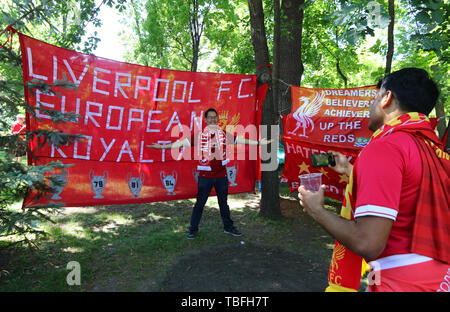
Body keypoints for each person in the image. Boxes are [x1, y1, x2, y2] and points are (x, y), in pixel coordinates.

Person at [298, 68, 449, 292]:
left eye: (375, 97)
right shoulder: (435, 152)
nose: (371, 106)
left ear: (387, 98)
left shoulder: (385, 147)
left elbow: (367, 242)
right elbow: (409, 189)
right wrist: (352, 170)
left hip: (401, 281)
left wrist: (316, 210)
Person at [148, 108, 271, 239]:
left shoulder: (223, 134)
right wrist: (161, 147)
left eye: (214, 117)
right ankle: (193, 229)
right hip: (205, 177)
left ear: (217, 119)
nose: (213, 119)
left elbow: (240, 140)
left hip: (221, 176)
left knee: (223, 203)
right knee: (200, 204)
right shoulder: (199, 136)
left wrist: (258, 143)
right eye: (210, 117)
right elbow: (180, 143)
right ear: (206, 120)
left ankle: (228, 227)